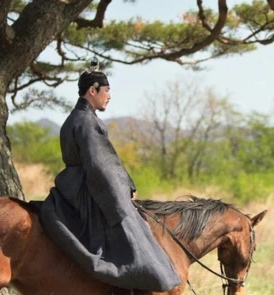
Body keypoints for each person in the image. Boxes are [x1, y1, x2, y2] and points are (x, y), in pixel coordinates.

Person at [38, 63, 181, 293]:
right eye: (106, 90)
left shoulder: (78, 118)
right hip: (88, 188)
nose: (110, 96)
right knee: (129, 227)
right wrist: (123, 195)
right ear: (92, 91)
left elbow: (106, 162)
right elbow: (100, 166)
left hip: (76, 184)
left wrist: (127, 184)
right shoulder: (85, 121)